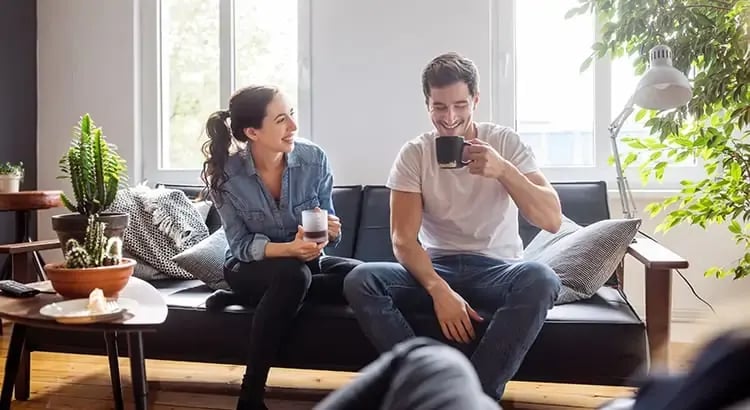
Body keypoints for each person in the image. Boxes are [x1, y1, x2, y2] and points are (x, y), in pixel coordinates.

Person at [343, 52, 563, 401]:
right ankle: (429, 382)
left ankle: (470, 398)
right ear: (427, 104)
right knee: (361, 279)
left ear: (476, 100)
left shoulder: (505, 143)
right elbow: (403, 240)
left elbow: (551, 220)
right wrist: (438, 289)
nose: (450, 118)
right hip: (437, 266)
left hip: (498, 269)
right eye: (439, 107)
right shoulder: (414, 154)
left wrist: (504, 170)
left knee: (542, 279)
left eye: (460, 105)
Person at [200, 85, 361, 410]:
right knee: (294, 276)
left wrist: (330, 231)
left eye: (292, 114)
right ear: (252, 132)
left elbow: (328, 228)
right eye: (281, 119)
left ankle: (253, 300)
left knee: (363, 278)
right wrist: (290, 249)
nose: (293, 126)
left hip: (305, 264)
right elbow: (242, 246)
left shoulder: (313, 160)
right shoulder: (226, 176)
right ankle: (250, 396)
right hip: (248, 267)